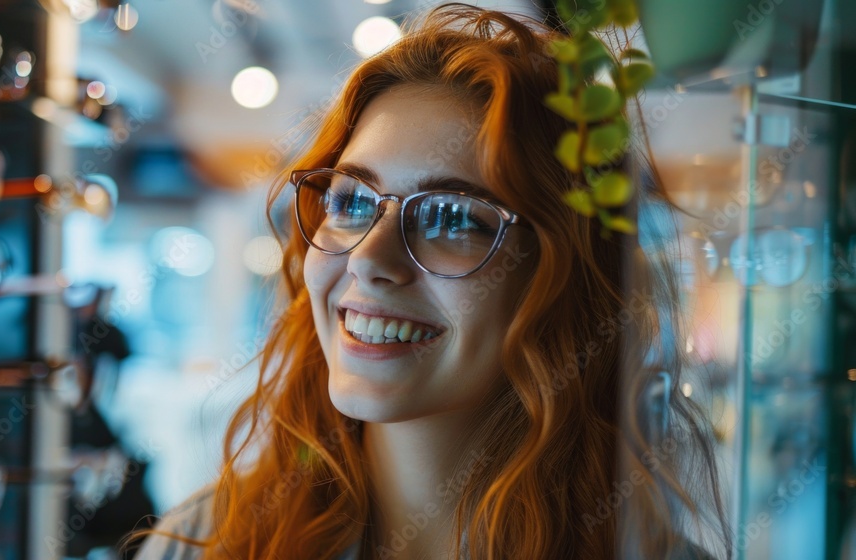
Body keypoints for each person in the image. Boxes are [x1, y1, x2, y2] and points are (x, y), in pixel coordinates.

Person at [127, 4, 731, 559]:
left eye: (453, 218)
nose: (368, 258)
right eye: (353, 203)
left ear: (563, 273)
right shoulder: (210, 545)